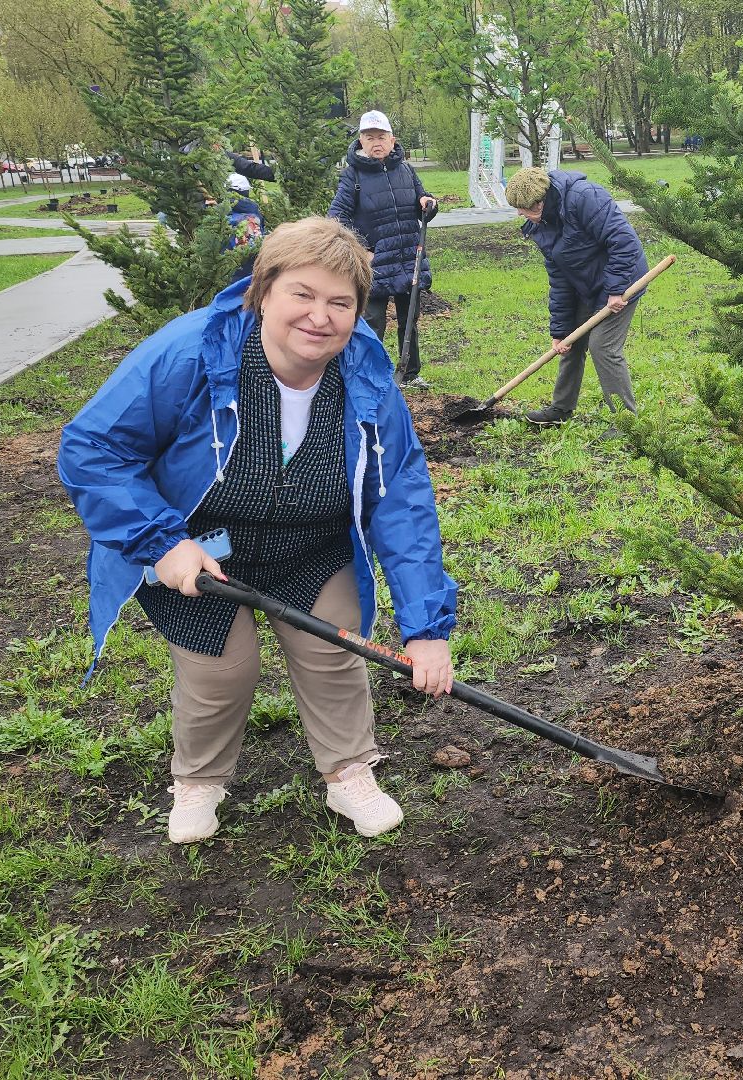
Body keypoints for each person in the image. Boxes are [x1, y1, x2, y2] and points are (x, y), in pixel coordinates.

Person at [58, 217, 458, 846]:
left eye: (340, 302)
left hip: (309, 548)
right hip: (199, 553)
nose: (319, 317)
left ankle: (349, 770)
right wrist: (162, 543)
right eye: (302, 293)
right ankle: (198, 779)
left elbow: (400, 500)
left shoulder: (366, 378)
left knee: (334, 651)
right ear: (262, 291)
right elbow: (94, 448)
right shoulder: (191, 353)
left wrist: (426, 629)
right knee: (222, 671)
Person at [503, 166, 648, 425]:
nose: (520, 214)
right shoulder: (541, 224)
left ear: (540, 203)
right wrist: (559, 330)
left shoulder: (585, 197)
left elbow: (624, 242)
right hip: (586, 284)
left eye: (524, 209)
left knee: (602, 346)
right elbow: (559, 279)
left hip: (623, 280)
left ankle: (627, 422)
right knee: (569, 343)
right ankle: (560, 410)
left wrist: (615, 290)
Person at [329, 110, 438, 389]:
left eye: (381, 137)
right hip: (374, 263)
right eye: (369, 137)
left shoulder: (406, 169)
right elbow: (337, 218)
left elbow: (420, 201)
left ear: (392, 139)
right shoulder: (352, 176)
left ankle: (410, 374)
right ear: (361, 141)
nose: (376, 142)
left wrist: (429, 203)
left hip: (407, 256)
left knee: (409, 318)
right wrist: (361, 251)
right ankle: (371, 377)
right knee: (372, 322)